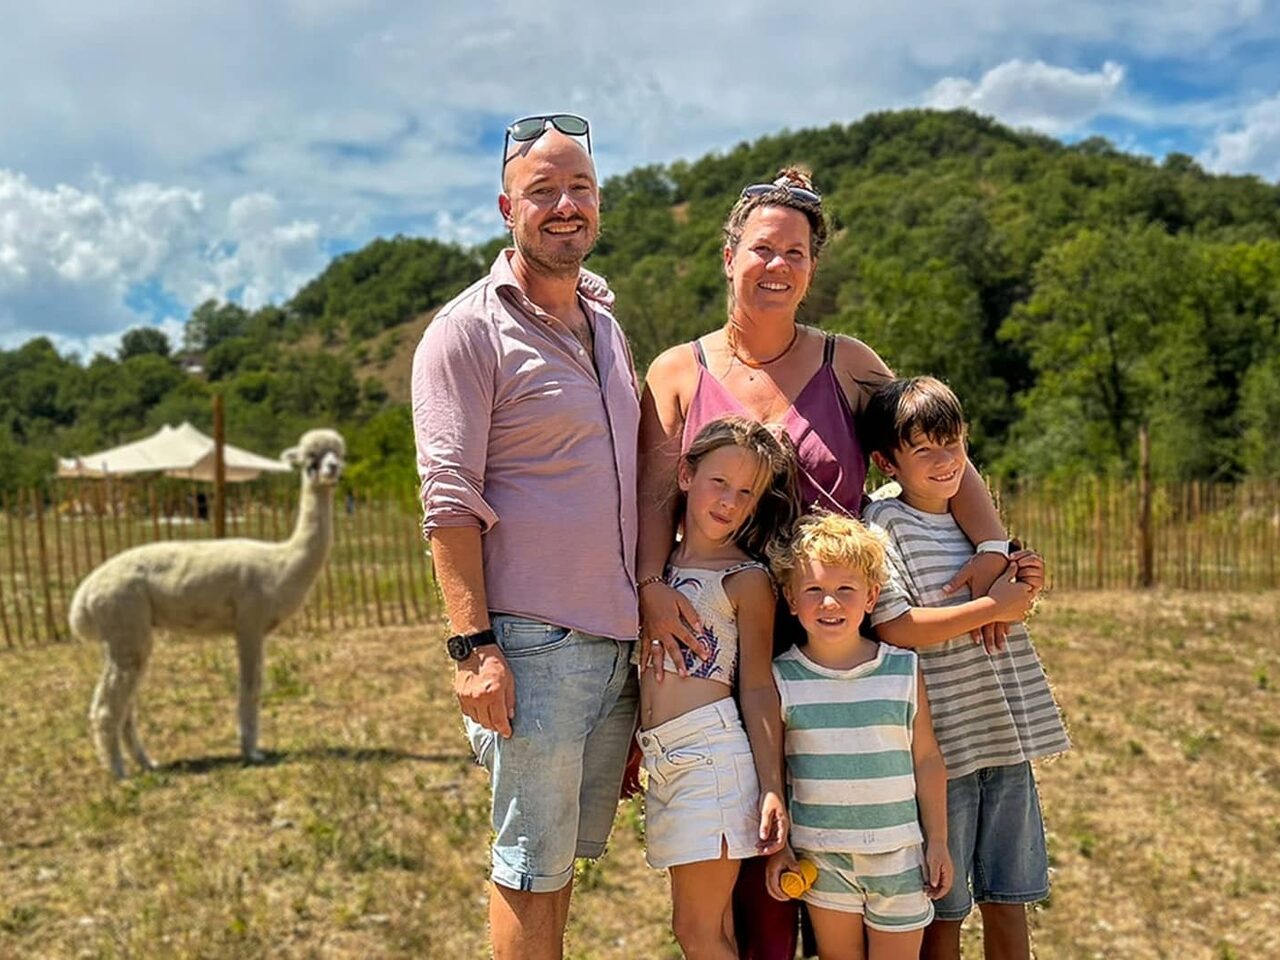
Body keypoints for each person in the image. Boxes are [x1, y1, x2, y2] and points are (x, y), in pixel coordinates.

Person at [637, 166, 1040, 959]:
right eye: (763, 248)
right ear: (729, 255)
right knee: (757, 864)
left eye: (796, 252)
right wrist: (651, 587)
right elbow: (655, 498)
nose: (778, 265)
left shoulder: (846, 361)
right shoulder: (678, 372)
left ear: (813, 267)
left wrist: (995, 549)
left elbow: (936, 446)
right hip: (725, 650)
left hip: (840, 637)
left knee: (857, 841)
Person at [411, 113, 641, 960]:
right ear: (507, 208)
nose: (565, 205)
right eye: (543, 191)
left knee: (558, 860)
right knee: (527, 866)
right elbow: (448, 500)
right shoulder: (466, 331)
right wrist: (473, 648)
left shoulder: (607, 326)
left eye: (579, 188)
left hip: (614, 646)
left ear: (599, 203)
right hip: (533, 648)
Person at [860, 377, 1071, 960]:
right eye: (924, 449)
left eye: (952, 443)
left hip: (1000, 732)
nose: (945, 460)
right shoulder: (883, 524)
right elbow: (895, 626)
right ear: (886, 462)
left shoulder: (979, 528)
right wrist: (993, 607)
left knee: (1010, 896)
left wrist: (1023, 577)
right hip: (941, 747)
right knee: (943, 907)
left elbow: (1012, 597)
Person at [636, 415, 799, 957]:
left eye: (746, 492)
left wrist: (772, 786)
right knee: (715, 930)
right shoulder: (653, 569)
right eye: (719, 482)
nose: (729, 501)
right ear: (686, 475)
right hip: (664, 759)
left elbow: (757, 688)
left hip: (711, 757)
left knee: (697, 930)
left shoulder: (746, 580)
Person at [764, 512, 953, 959]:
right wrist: (779, 849)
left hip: (900, 855)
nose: (829, 603)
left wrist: (939, 841)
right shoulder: (782, 677)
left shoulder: (902, 669)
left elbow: (927, 760)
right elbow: (775, 772)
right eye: (814, 590)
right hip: (821, 858)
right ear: (791, 599)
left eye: (845, 590)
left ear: (871, 597)